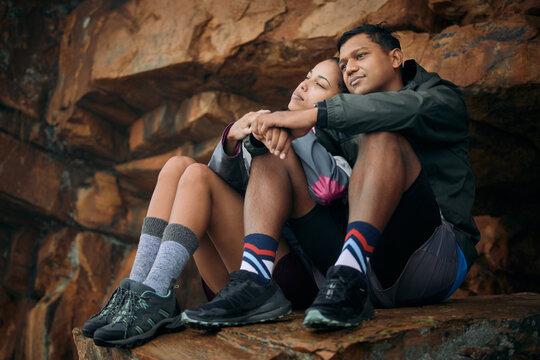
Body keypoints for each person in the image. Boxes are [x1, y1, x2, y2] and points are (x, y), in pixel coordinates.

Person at [83, 58, 350, 347]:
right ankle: (139, 292)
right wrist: (233, 139)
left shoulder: (334, 141)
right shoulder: (268, 131)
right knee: (178, 166)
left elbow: (329, 189)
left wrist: (295, 131)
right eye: (307, 76)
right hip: (232, 283)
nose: (304, 84)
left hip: (287, 283)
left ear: (336, 104)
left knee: (197, 174)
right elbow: (218, 184)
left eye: (319, 85)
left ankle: (156, 295)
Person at [242, 24, 480, 329]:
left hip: (431, 259)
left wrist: (311, 116)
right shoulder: (335, 128)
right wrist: (263, 133)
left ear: (395, 58)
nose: (349, 67)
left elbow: (403, 110)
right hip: (353, 272)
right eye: (343, 64)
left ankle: (349, 273)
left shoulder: (439, 97)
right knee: (278, 154)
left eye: (360, 55)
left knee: (382, 133)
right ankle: (254, 280)